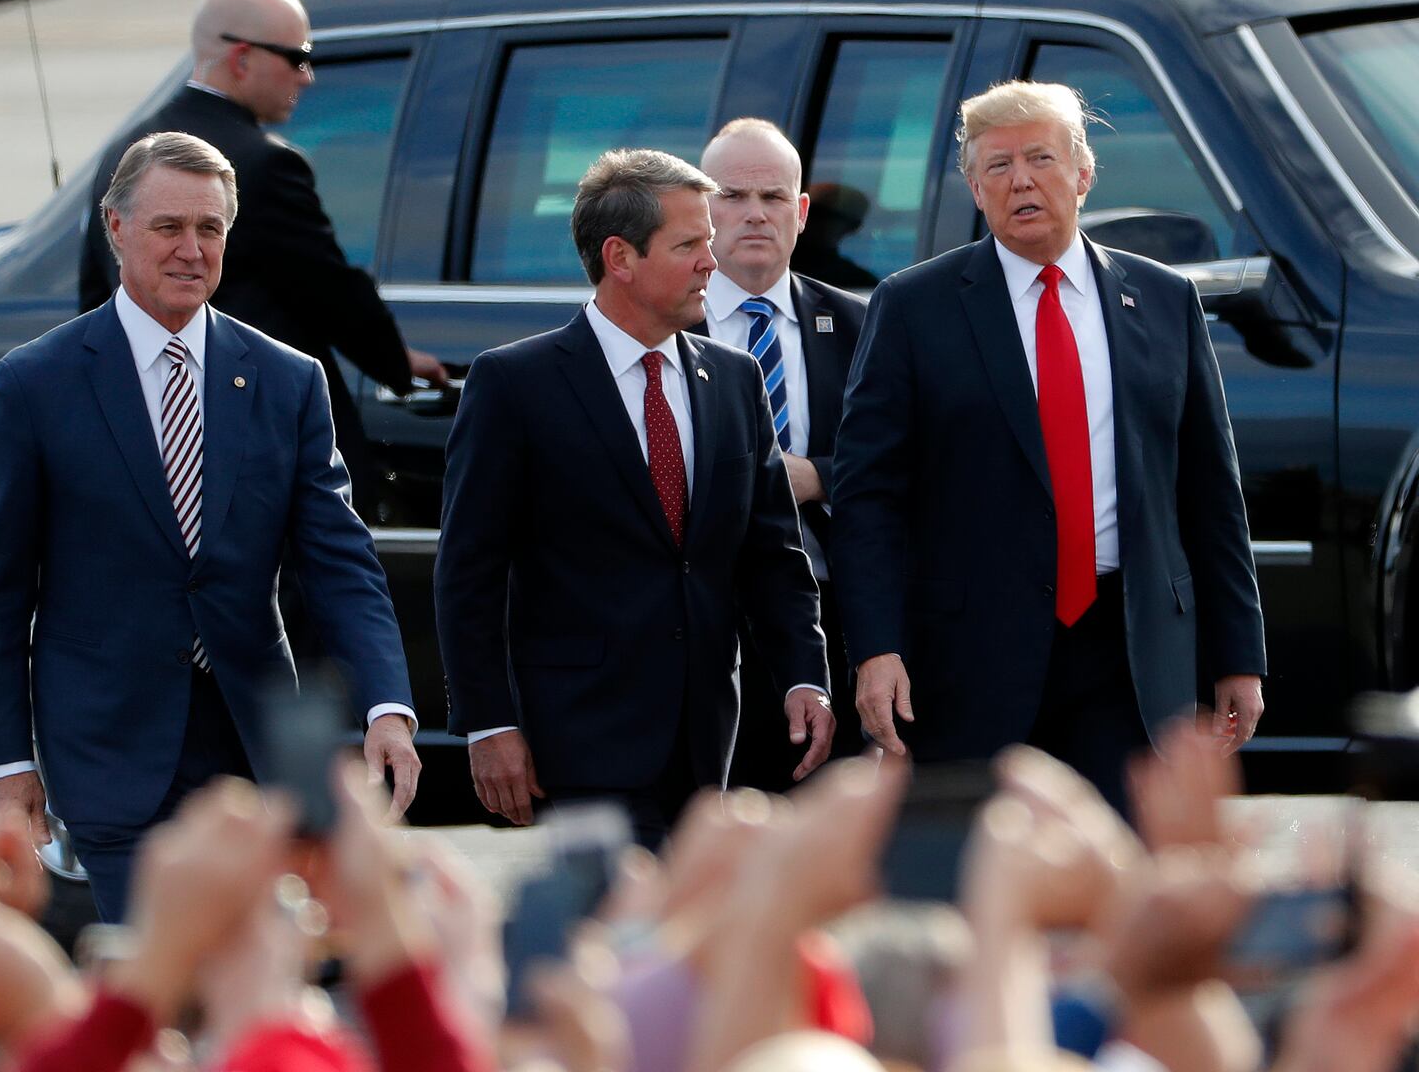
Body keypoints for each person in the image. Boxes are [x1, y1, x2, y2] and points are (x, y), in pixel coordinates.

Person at [0, 131, 419, 922]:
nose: (191, 249)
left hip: (255, 747)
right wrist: (5, 764)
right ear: (116, 227)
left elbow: (340, 562)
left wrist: (387, 706)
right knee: (159, 978)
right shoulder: (36, 385)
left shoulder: (286, 379)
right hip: (109, 748)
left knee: (261, 984)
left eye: (209, 229)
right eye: (169, 227)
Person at [831, 80, 1266, 811]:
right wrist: (876, 649)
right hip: (971, 659)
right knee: (977, 886)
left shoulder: (1162, 300)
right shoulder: (914, 307)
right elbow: (867, 494)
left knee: (1122, 888)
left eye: (1040, 157)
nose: (1021, 180)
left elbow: (1210, 493)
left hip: (1127, 653)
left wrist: (1238, 656)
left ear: (1084, 172)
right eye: (997, 166)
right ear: (973, 186)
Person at [434, 148, 834, 850]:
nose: (712, 262)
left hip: (708, 742)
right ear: (620, 257)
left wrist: (806, 675)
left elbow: (773, 553)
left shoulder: (735, 381)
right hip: (579, 744)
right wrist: (488, 723)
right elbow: (469, 571)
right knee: (610, 951)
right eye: (689, 245)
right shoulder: (515, 385)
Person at [77, 0, 445, 509]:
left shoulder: (121, 155)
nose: (308, 76)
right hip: (255, 450)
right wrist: (396, 365)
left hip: (149, 440)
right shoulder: (266, 164)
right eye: (296, 57)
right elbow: (329, 291)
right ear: (243, 58)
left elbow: (96, 302)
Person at [694, 118, 869, 788]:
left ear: (800, 213)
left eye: (772, 199)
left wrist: (817, 477)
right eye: (733, 197)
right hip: (701, 620)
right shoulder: (656, 324)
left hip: (826, 621)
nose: (754, 215)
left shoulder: (858, 324)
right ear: (702, 209)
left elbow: (904, 464)